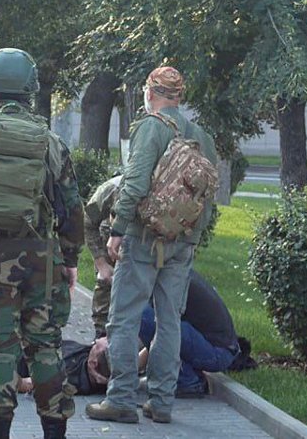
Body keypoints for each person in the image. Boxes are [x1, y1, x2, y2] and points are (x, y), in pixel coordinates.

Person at [0, 48, 83, 439]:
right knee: (45, 348)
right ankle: (54, 432)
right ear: (30, 90)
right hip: (42, 262)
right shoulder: (51, 141)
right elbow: (72, 208)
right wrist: (70, 258)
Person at [86, 66, 218, 425]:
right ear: (180, 96)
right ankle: (161, 403)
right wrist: (190, 236)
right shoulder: (202, 136)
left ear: (149, 92)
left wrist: (117, 229)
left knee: (123, 321)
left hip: (144, 240)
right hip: (182, 243)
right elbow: (208, 194)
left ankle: (121, 399)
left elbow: (135, 183)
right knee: (169, 322)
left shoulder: (151, 127)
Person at [138, 270, 242, 397]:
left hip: (217, 353)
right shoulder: (172, 272)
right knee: (148, 317)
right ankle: (188, 375)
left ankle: (188, 382)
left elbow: (163, 330)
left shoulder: (170, 283)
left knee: (142, 315)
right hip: (213, 346)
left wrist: (128, 370)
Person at [84, 176, 122, 338]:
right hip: (111, 262)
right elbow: (87, 221)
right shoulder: (113, 189)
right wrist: (101, 263)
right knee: (104, 322)